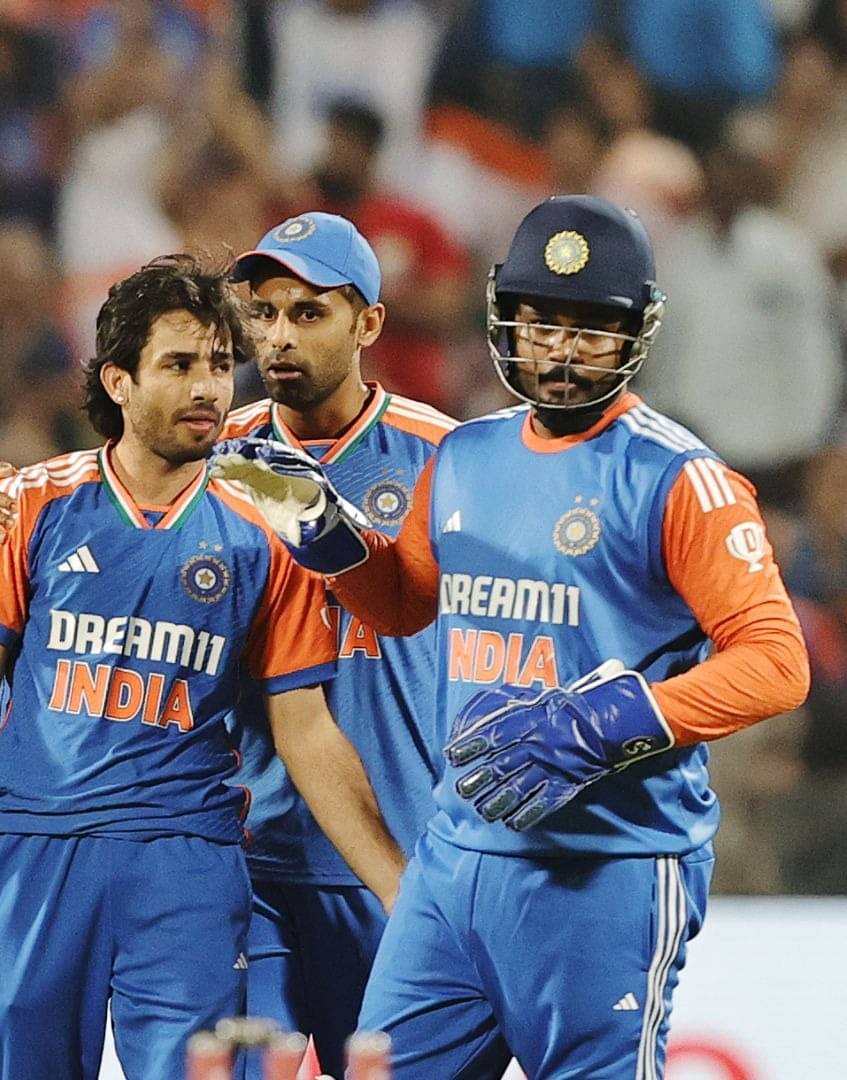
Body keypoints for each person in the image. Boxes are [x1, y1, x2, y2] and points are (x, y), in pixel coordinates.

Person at [213, 195, 810, 1077]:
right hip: (453, 858)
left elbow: (777, 664)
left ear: (635, 332)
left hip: (603, 867)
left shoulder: (680, 477)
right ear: (507, 321)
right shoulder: (468, 454)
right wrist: (326, 535)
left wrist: (608, 722)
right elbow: (402, 603)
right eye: (542, 324)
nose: (561, 349)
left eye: (590, 328)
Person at [0, 212, 457, 1075]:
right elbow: (92, 503)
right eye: (264, 314)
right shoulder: (212, 444)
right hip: (243, 857)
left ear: (369, 323)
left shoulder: (446, 457)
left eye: (308, 312)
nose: (278, 336)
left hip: (390, 846)